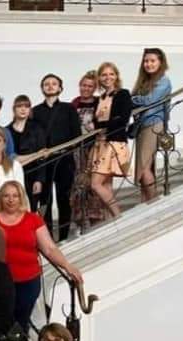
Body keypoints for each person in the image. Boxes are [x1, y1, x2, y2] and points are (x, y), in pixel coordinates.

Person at [0, 181, 83, 331]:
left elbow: (49, 248)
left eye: (15, 196)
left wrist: (67, 266)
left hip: (28, 281)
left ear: (21, 198)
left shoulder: (33, 219)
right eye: (6, 196)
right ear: (0, 198)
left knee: (21, 323)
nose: (11, 199)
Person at [32, 74, 82, 240]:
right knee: (44, 200)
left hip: (64, 159)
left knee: (64, 198)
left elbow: (76, 134)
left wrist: (67, 149)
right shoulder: (35, 111)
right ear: (42, 88)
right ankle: (47, 238)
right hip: (44, 162)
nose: (50, 86)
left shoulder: (69, 109)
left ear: (60, 88)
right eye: (46, 84)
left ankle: (63, 237)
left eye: (54, 84)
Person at [89, 62, 133, 219]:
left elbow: (122, 119)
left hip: (113, 142)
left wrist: (103, 126)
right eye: (104, 75)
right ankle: (111, 219)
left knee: (95, 184)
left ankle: (118, 215)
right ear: (99, 78)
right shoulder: (99, 99)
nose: (107, 77)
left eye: (111, 74)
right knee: (106, 184)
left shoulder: (123, 94)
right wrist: (102, 126)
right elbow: (96, 123)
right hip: (99, 143)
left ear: (116, 76)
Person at [132, 48, 172, 202]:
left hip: (154, 124)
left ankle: (155, 202)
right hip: (143, 126)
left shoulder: (164, 81)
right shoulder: (145, 82)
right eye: (146, 61)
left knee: (143, 168)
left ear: (161, 62)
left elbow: (150, 100)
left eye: (152, 61)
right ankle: (147, 202)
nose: (148, 64)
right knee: (144, 168)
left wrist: (132, 99)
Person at [70, 71, 105, 232]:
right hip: (77, 149)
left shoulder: (99, 102)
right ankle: (80, 219)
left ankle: (96, 218)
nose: (86, 88)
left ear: (94, 88)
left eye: (90, 86)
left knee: (94, 182)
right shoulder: (73, 104)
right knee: (78, 184)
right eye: (84, 85)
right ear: (80, 86)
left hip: (95, 147)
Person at [7, 95, 47, 211]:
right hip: (12, 175)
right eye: (19, 106)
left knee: (31, 209)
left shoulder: (37, 129)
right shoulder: (6, 130)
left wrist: (39, 180)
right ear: (14, 109)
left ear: (30, 109)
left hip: (32, 175)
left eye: (26, 106)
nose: (23, 109)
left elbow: (42, 156)